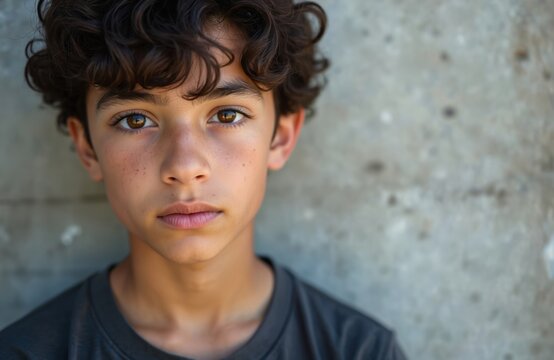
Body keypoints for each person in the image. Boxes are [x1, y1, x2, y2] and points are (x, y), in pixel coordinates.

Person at [0, 0, 407, 359]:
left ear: (281, 136)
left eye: (227, 115)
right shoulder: (27, 352)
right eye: (135, 119)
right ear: (87, 147)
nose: (184, 164)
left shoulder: (358, 351)